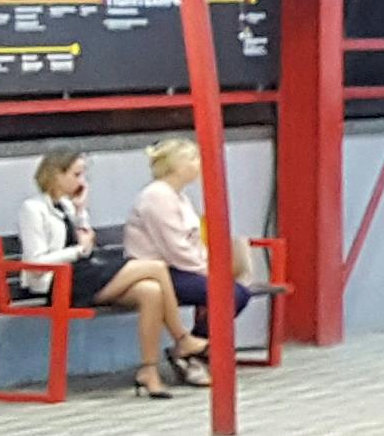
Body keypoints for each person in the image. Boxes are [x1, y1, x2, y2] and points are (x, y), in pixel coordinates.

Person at [20, 150, 196, 395]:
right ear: (56, 175)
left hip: (85, 276)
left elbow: (85, 243)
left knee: (150, 290)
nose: (82, 181)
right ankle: (182, 338)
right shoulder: (33, 209)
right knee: (155, 267)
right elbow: (35, 260)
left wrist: (81, 212)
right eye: (76, 174)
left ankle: (149, 370)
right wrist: (77, 251)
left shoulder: (69, 206)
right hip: (59, 283)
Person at [125, 136, 244, 365]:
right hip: (161, 270)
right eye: (192, 159)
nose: (199, 164)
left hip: (183, 267)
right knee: (230, 294)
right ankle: (192, 347)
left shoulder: (179, 196)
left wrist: (208, 265)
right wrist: (205, 270)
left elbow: (193, 240)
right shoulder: (156, 196)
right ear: (176, 165)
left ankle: (194, 346)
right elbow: (174, 247)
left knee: (237, 293)